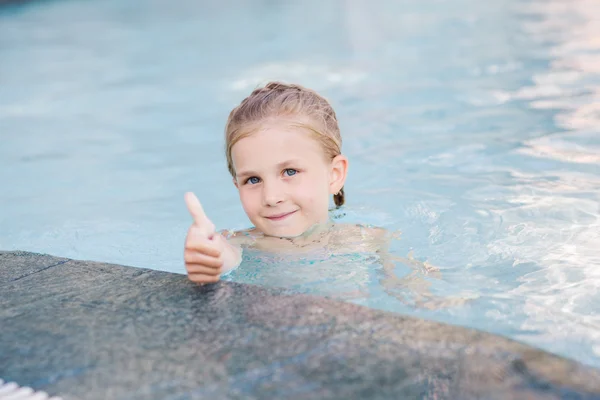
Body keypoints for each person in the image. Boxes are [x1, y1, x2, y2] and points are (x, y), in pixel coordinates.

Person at [183, 81, 391, 285]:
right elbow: (225, 257)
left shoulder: (369, 241)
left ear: (334, 175)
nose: (271, 197)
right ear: (237, 186)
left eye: (290, 172)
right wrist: (212, 258)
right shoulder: (239, 246)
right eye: (253, 179)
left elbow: (412, 296)